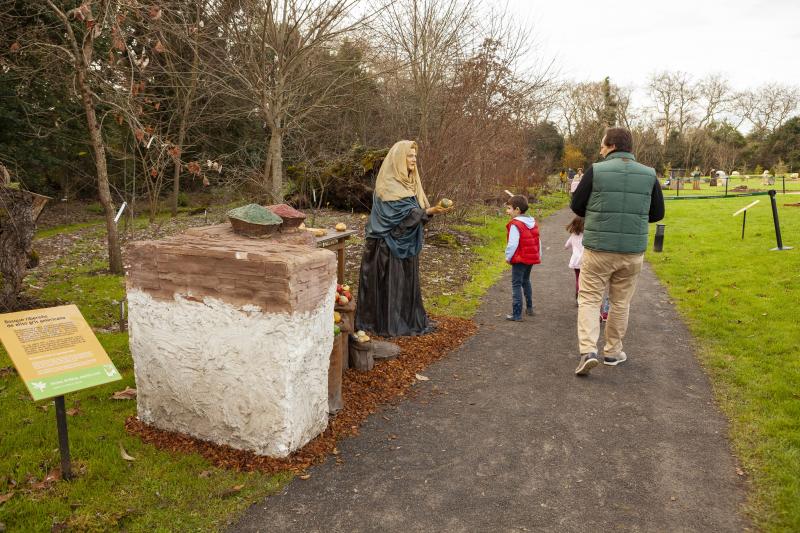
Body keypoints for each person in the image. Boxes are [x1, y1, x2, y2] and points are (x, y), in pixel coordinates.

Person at [570, 127, 665, 376]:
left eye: (602, 145)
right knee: (621, 302)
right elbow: (657, 213)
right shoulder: (649, 174)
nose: (600, 150)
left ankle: (588, 351)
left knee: (590, 298)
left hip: (598, 249)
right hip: (631, 252)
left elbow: (576, 204)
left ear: (611, 145)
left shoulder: (597, 170)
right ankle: (612, 352)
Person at [355, 140, 451, 337]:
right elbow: (399, 218)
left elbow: (411, 217)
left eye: (415, 155)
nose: (414, 159)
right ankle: (385, 323)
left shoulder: (411, 184)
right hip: (385, 247)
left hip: (404, 243)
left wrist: (428, 212)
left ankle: (403, 319)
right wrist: (429, 210)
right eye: (409, 155)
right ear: (399, 158)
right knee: (390, 286)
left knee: (402, 286)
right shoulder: (388, 185)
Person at [504, 195, 541, 321]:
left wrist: (508, 257)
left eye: (509, 208)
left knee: (516, 284)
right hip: (531, 258)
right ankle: (529, 308)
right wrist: (538, 254)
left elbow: (513, 244)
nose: (507, 211)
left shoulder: (516, 224)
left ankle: (517, 314)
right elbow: (538, 240)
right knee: (526, 280)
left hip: (520, 259)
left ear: (517, 210)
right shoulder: (532, 221)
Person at [565, 216, 610, 320]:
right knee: (589, 281)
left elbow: (566, 246)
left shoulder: (573, 235)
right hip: (586, 260)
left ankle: (578, 295)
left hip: (575, 261)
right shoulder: (588, 236)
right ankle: (591, 304)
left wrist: (571, 247)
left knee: (578, 279)